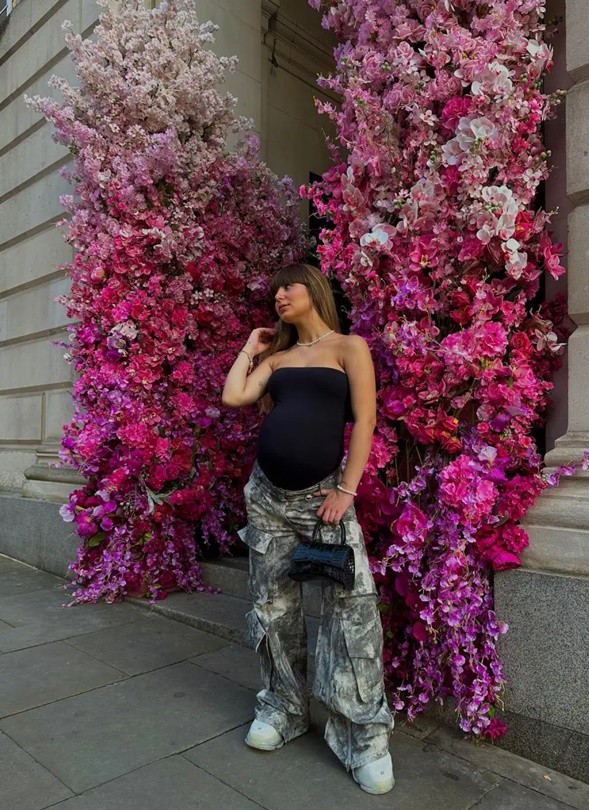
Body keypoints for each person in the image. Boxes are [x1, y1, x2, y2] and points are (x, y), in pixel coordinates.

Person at [222, 262, 395, 794]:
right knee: (273, 607)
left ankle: (362, 737)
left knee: (353, 611)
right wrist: (251, 349)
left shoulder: (349, 347)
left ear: (313, 289)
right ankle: (283, 710)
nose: (278, 294)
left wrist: (346, 489)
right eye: (274, 288)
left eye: (287, 285)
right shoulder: (275, 357)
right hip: (266, 499)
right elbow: (234, 397)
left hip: (324, 501)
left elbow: (364, 419)